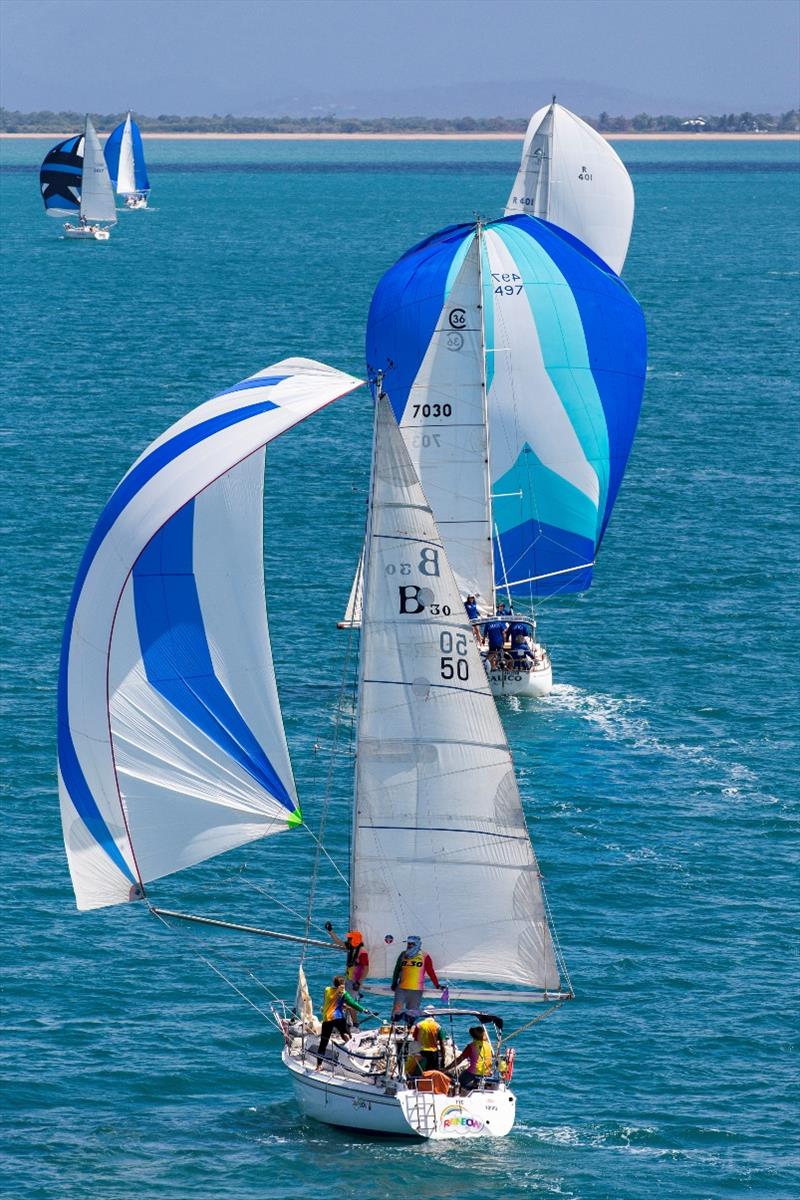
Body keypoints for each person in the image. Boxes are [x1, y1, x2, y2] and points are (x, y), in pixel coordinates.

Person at [315, 975, 369, 1070]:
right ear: (343, 984)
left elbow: (328, 1000)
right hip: (339, 1017)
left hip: (328, 1018)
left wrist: (339, 1004)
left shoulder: (327, 990)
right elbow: (352, 1003)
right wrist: (363, 1009)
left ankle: (319, 1066)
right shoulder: (343, 993)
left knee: (323, 1042)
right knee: (345, 1033)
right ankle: (350, 1049)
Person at [391, 936, 443, 1016]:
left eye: (412, 943)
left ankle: (410, 1028)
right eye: (408, 943)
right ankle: (393, 1026)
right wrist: (394, 983)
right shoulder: (403, 954)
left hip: (416, 990)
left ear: (418, 944)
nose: (409, 945)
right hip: (401, 989)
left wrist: (437, 985)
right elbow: (396, 970)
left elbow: (430, 972)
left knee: (412, 1013)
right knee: (396, 1011)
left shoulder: (425, 956)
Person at [324, 923, 369, 994]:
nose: (348, 940)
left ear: (355, 940)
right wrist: (330, 930)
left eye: (350, 939)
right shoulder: (351, 947)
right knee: (344, 998)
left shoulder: (363, 953)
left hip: (355, 981)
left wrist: (358, 982)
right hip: (348, 978)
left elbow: (366, 969)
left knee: (350, 1000)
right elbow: (338, 941)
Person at [451, 1024, 495, 1091]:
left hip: (473, 1073)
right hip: (486, 1073)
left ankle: (463, 1091)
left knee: (459, 1079)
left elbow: (459, 1060)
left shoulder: (471, 1046)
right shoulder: (489, 1046)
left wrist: (446, 1069)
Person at [406, 1006, 445, 1076]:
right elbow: (442, 1044)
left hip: (421, 1053)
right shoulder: (438, 1026)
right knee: (432, 1073)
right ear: (434, 1015)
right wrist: (443, 1058)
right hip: (433, 1054)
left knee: (418, 1071)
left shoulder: (419, 1025)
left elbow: (415, 1040)